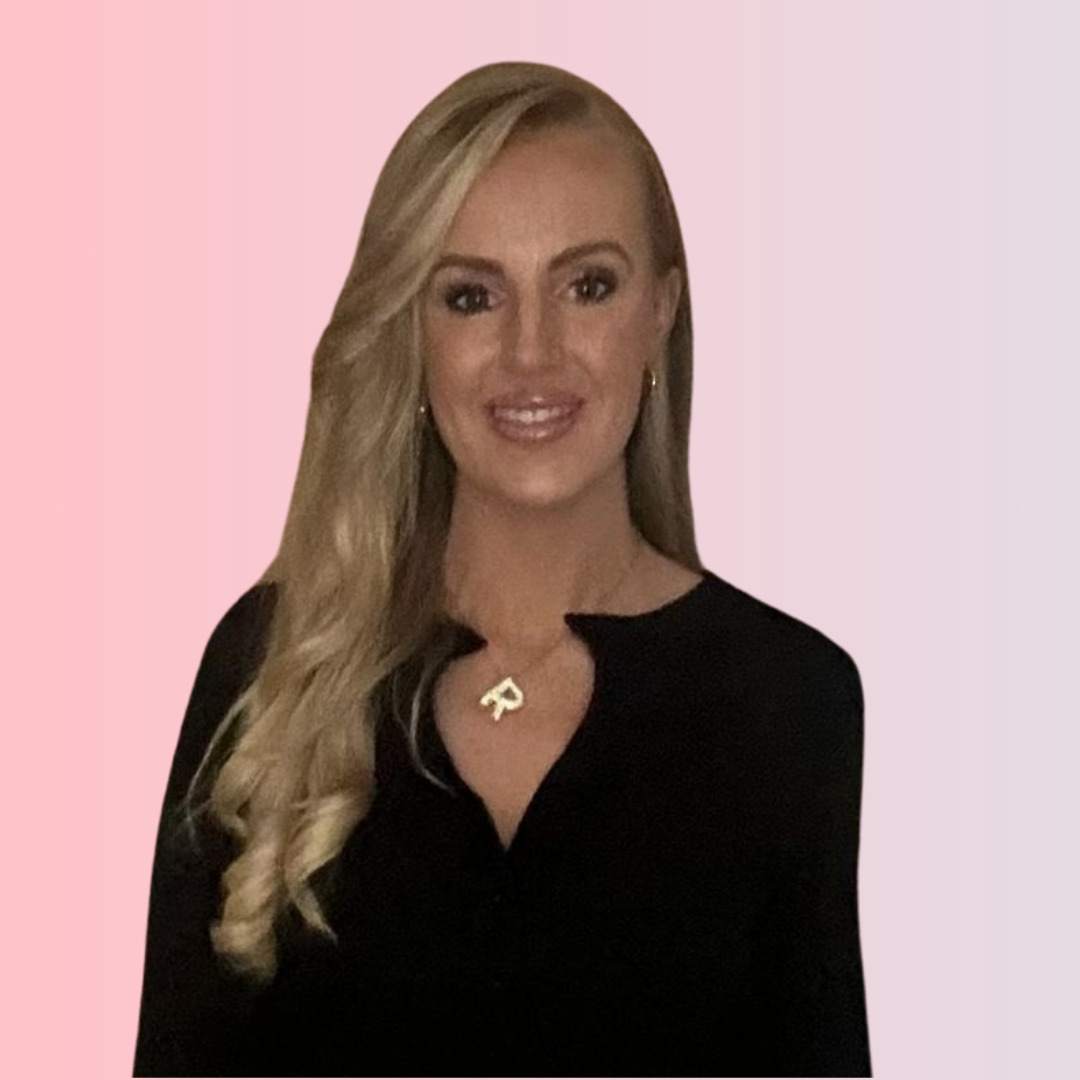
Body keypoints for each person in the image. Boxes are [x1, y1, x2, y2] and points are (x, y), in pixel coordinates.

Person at [132, 61, 872, 1077]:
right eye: (473, 296)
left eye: (587, 286)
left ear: (661, 310)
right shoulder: (271, 666)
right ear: (413, 331)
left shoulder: (788, 703)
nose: (532, 354)